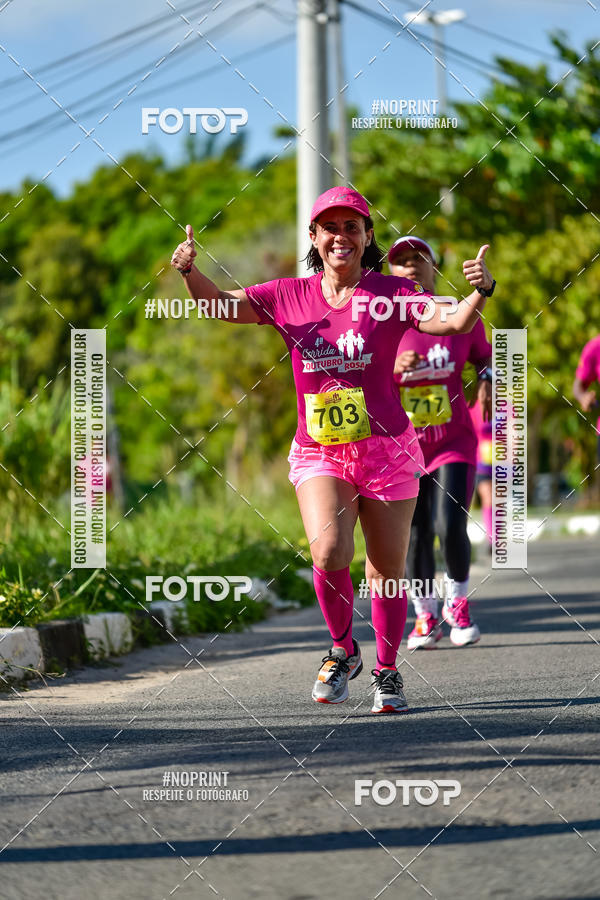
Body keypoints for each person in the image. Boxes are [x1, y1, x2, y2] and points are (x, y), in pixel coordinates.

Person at [170, 188, 494, 713]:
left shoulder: (391, 292)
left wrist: (482, 291)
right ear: (314, 238)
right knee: (327, 551)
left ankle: (387, 670)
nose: (340, 236)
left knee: (386, 571)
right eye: (330, 227)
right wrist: (189, 272)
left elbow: (452, 321)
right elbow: (220, 306)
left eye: (352, 227)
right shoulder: (289, 295)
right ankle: (343, 649)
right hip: (321, 449)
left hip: (387, 450)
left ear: (367, 238)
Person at [388, 236, 494, 650]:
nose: (411, 266)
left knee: (448, 525)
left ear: (435, 267)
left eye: (419, 259)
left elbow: (485, 356)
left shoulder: (457, 313)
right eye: (401, 261)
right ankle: (425, 615)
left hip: (452, 441)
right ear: (390, 271)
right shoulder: (381, 321)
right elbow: (356, 376)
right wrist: (393, 368)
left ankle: (458, 604)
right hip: (402, 447)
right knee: (414, 535)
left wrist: (486, 380)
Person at [469, 401, 494, 553]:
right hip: (481, 458)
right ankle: (493, 539)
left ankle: (498, 536)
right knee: (488, 497)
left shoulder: (507, 405)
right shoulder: (474, 406)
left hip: (502, 460)